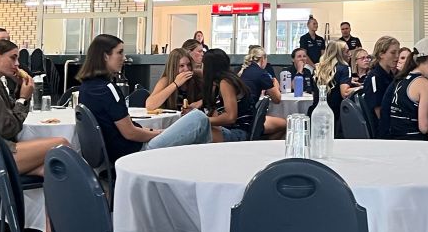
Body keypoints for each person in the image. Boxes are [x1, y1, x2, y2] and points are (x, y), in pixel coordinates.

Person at [77, 34, 210, 165]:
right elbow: (130, 133)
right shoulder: (109, 89)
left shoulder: (85, 87)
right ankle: (200, 166)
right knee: (199, 118)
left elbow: (124, 126)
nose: (124, 58)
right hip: (133, 152)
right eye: (120, 53)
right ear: (106, 56)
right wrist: (160, 134)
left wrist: (154, 132)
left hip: (112, 153)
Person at [0, 39, 69, 182]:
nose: (17, 64)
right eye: (13, 58)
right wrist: (23, 99)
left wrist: (17, 88)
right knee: (61, 144)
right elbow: (9, 129)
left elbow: (7, 119)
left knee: (52, 167)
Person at [384, 37, 428, 141]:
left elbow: (426, 89)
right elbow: (424, 127)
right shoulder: (425, 85)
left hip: (397, 140)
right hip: (414, 144)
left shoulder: (404, 78)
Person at [203, 49, 254, 142]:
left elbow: (231, 117)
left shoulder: (226, 83)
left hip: (238, 132)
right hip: (234, 130)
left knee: (197, 132)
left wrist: (202, 120)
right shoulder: (226, 80)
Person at [238, 46, 286, 139]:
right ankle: (265, 146)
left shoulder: (242, 72)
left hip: (239, 114)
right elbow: (277, 99)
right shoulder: (262, 74)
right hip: (249, 118)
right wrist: (275, 83)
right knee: (285, 124)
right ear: (263, 59)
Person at [313, 40, 355, 133]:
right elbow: (345, 93)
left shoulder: (318, 69)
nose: (350, 55)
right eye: (347, 51)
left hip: (317, 113)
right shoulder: (345, 68)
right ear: (340, 53)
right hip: (335, 116)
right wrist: (361, 88)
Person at [363, 36, 400, 121]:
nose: (397, 56)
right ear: (381, 54)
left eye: (398, 52)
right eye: (393, 53)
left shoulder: (391, 76)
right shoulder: (375, 78)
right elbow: (380, 114)